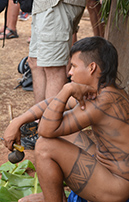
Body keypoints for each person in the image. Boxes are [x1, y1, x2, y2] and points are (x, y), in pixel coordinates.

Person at [3, 36, 129, 202]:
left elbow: (45, 130)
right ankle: (55, 198)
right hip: (109, 170)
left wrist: (67, 88)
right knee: (67, 133)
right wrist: (18, 120)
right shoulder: (103, 92)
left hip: (115, 186)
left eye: (73, 66)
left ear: (91, 68)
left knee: (45, 145)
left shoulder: (103, 102)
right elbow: (53, 103)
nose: (69, 72)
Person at [20, 0, 86, 149]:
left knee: (53, 68)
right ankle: (40, 122)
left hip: (57, 4)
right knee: (35, 62)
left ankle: (49, 129)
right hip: (43, 5)